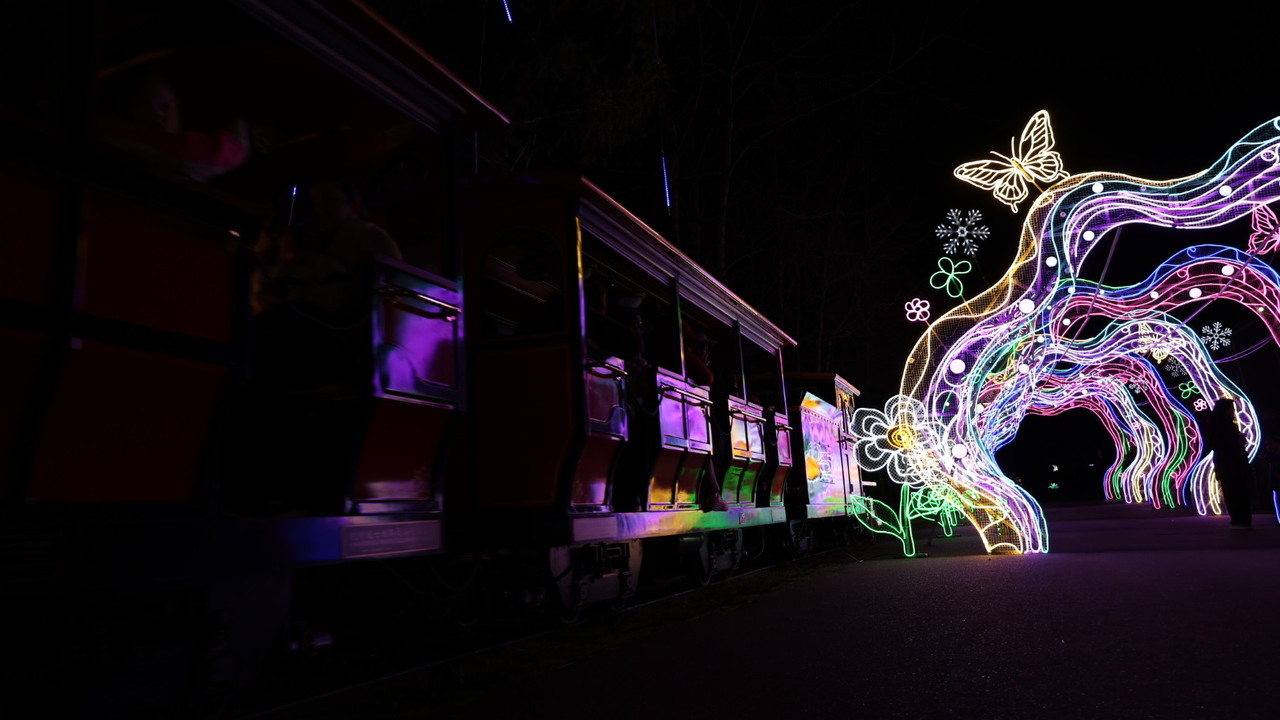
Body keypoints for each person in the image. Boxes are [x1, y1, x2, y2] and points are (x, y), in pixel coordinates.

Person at [98, 71, 250, 182]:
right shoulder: (111, 135)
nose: (156, 114)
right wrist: (236, 144)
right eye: (142, 106)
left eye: (164, 106)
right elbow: (196, 154)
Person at [1200, 398, 1253, 529]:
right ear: (1225, 410)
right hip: (1232, 463)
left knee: (1232, 492)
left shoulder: (1215, 425)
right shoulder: (1225, 426)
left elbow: (1214, 443)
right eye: (1232, 409)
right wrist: (1238, 440)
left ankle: (1238, 519)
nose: (1233, 412)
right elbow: (1223, 444)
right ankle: (1241, 520)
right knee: (1237, 492)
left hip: (1226, 464)